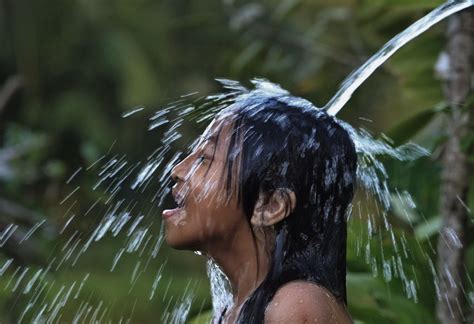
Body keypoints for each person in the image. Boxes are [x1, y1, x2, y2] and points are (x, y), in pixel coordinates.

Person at [162, 82, 357, 323]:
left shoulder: (295, 305)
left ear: (270, 206)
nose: (178, 170)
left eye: (205, 159)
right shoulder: (234, 312)